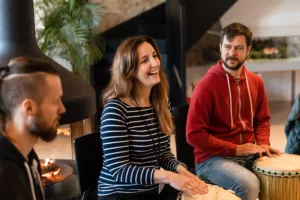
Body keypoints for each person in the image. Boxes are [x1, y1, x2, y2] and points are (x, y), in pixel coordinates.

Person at [98, 36, 208, 200]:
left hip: (152, 190)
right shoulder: (115, 110)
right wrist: (169, 177)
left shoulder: (160, 102)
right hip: (119, 193)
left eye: (155, 55)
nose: (155, 63)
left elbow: (162, 153)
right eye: (145, 60)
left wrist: (180, 170)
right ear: (130, 70)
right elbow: (119, 170)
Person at [186, 23, 280, 200]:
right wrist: (236, 149)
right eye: (227, 47)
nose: (232, 53)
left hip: (248, 152)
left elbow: (262, 120)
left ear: (248, 49)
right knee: (249, 184)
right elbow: (194, 135)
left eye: (238, 48)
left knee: (276, 173)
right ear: (220, 47)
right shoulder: (205, 86)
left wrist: (263, 144)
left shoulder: (256, 82)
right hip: (211, 159)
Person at [0, 57, 66, 200]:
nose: (63, 109)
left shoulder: (29, 156)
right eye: (55, 101)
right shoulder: (4, 175)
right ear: (29, 108)